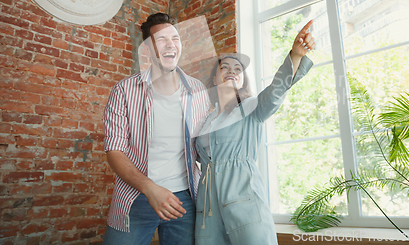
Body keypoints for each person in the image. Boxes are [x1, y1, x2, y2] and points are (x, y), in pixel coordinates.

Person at [194, 20, 316, 245]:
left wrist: (296, 55)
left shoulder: (252, 108)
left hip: (244, 203)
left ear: (242, 80)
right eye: (225, 68)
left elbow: (277, 90)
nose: (232, 72)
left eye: (237, 70)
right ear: (214, 79)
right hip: (207, 209)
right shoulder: (205, 120)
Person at [102, 13, 210, 245]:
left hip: (186, 200)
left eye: (175, 38)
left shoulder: (198, 89)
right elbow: (114, 151)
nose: (171, 44)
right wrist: (150, 189)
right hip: (137, 196)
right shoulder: (124, 91)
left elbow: (205, 146)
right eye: (161, 39)